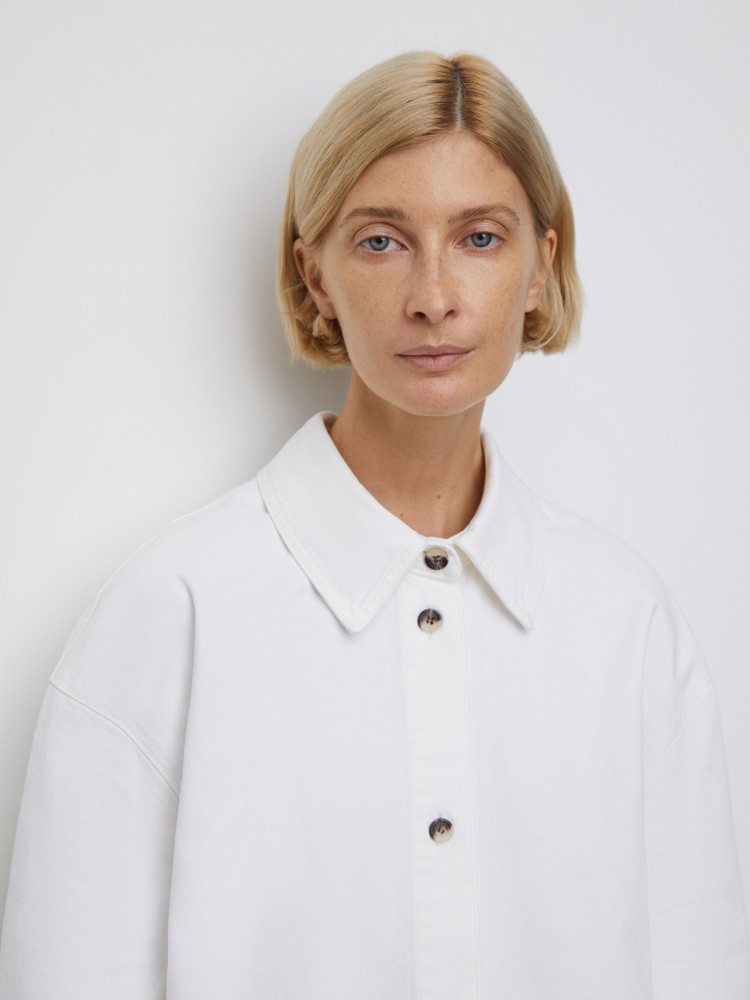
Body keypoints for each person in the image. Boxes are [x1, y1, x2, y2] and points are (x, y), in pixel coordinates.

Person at [1, 50, 748, 1000]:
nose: (434, 296)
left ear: (540, 266)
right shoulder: (172, 613)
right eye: (383, 241)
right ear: (314, 275)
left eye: (480, 238)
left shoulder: (627, 625)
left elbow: (700, 970)